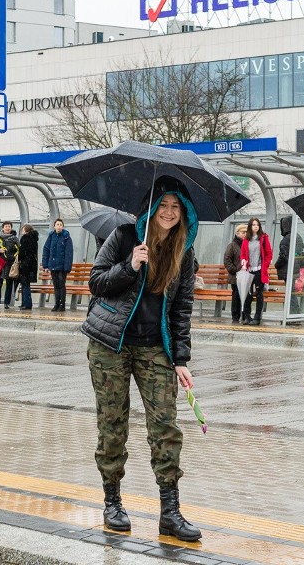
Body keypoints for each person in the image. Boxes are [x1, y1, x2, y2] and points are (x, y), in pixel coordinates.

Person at [81, 175, 201, 542]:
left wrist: (181, 358)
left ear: (184, 214)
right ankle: (113, 501)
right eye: (162, 205)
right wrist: (129, 266)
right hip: (110, 346)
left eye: (175, 207)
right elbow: (97, 282)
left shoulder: (185, 252)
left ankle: (170, 512)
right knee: (112, 424)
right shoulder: (122, 237)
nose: (168, 212)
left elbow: (181, 310)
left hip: (155, 348)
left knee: (166, 426)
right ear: (150, 208)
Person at [239, 217, 272, 325]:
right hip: (249, 270)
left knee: (259, 293)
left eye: (257, 225)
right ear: (250, 226)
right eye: (253, 225)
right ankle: (247, 317)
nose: (255, 226)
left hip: (259, 270)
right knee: (248, 294)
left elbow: (268, 253)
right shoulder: (246, 239)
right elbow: (243, 254)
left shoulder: (263, 238)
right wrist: (244, 263)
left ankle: (257, 317)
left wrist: (265, 265)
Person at [274, 216, 304, 313]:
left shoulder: (286, 239)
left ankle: (292, 315)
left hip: (289, 271)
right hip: (297, 270)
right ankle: (294, 315)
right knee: (292, 294)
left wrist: (276, 265)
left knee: (290, 295)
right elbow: (303, 253)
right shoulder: (297, 236)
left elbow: (283, 256)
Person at [42, 218, 74, 311]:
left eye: (61, 224)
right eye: (57, 224)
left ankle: (62, 304)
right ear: (54, 226)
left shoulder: (66, 237)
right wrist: (45, 265)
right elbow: (46, 250)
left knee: (61, 285)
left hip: (62, 266)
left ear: (63, 226)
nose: (59, 226)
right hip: (53, 265)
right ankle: (56, 304)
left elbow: (69, 253)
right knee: (56, 285)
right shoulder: (51, 236)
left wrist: (67, 267)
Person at [0, 221, 19, 310]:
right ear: (3, 228)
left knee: (9, 284)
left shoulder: (14, 238)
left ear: (11, 228)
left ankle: (7, 303)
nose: (7, 228)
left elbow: (19, 248)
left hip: (10, 264)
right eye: (6, 226)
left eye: (9, 226)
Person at [222, 223, 247, 324]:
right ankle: (235, 317)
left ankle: (245, 316)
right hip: (235, 278)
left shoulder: (249, 245)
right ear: (237, 233)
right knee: (236, 297)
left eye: (246, 232)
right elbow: (227, 260)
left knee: (246, 297)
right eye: (243, 232)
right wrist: (235, 270)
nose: (245, 234)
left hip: (247, 277)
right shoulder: (232, 246)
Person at [17, 224, 39, 310]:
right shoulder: (34, 239)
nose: (22, 231)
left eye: (23, 230)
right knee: (26, 285)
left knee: (25, 285)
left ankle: (26, 304)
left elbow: (22, 252)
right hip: (31, 265)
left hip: (25, 265)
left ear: (26, 231)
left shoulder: (25, 239)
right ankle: (26, 303)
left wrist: (19, 258)